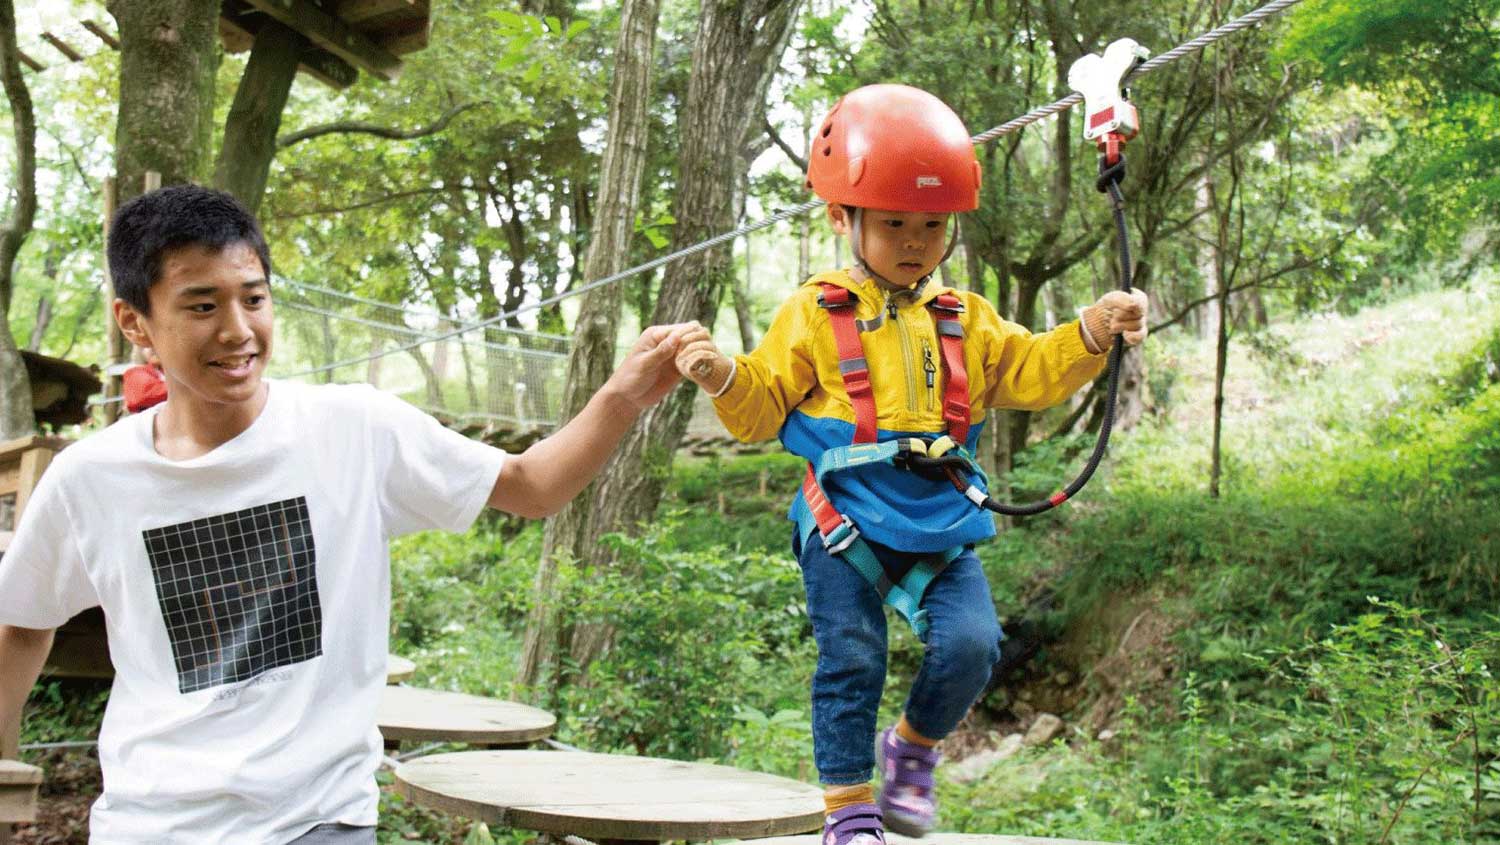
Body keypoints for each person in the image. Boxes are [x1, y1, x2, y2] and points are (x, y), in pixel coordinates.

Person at [0, 184, 700, 845]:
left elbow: (530, 486)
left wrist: (622, 396)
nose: (239, 330)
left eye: (255, 297)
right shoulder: (91, 479)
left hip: (317, 821)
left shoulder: (353, 429)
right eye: (202, 306)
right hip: (149, 824)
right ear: (136, 322)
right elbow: (21, 622)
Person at [674, 84, 1149, 844]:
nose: (914, 240)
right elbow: (763, 404)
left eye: (932, 225)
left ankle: (914, 747)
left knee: (972, 644)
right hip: (844, 517)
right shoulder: (814, 312)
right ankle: (848, 811)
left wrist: (1092, 329)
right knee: (853, 654)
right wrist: (721, 375)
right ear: (844, 217)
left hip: (936, 512)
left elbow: (1028, 371)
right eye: (893, 223)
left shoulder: (963, 318)